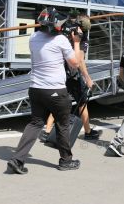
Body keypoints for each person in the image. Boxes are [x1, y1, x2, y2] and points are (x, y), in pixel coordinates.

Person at [7, 7, 82, 174]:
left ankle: (17, 159)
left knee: (35, 123)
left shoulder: (33, 37)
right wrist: (76, 42)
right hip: (55, 90)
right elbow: (75, 63)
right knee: (62, 125)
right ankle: (66, 161)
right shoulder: (61, 40)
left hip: (36, 88)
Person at [40, 14, 99, 142]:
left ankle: (47, 130)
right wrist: (87, 78)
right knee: (82, 101)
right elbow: (80, 60)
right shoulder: (82, 34)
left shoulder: (68, 28)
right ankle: (88, 131)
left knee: (59, 101)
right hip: (73, 74)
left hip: (61, 71)